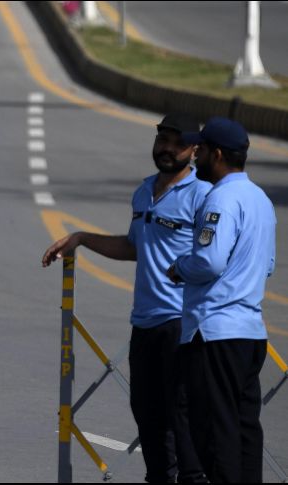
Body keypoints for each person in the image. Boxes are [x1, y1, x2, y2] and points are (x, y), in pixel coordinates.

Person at [42, 114, 207, 483]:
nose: (167, 149)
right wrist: (81, 238)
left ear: (195, 150)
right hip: (145, 322)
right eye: (162, 140)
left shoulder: (202, 196)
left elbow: (212, 257)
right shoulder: (145, 190)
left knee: (182, 419)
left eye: (178, 143)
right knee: (148, 416)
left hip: (182, 323)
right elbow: (134, 247)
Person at [167, 117, 276, 483]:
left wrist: (180, 267)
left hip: (214, 333)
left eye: (199, 150)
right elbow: (268, 264)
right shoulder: (260, 199)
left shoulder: (221, 198)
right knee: (245, 430)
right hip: (250, 333)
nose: (194, 156)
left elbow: (210, 261)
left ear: (216, 155)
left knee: (215, 434)